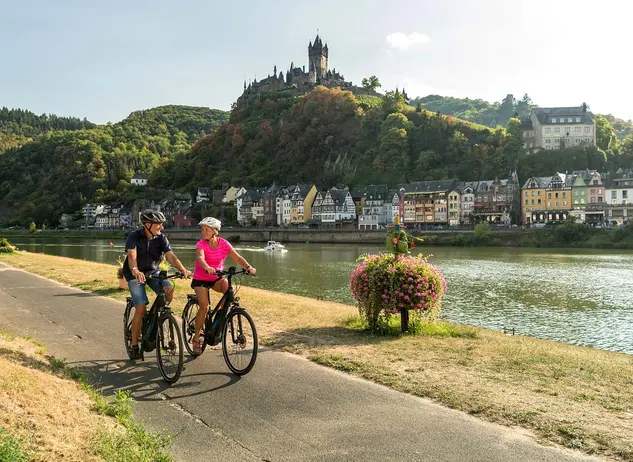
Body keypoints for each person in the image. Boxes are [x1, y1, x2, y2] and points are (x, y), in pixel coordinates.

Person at [123, 210, 191, 359]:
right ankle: (134, 345)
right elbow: (132, 255)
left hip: (153, 272)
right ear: (147, 225)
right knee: (140, 308)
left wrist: (183, 269)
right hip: (135, 273)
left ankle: (154, 317)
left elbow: (171, 256)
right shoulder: (134, 236)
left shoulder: (161, 238)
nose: (161, 227)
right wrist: (134, 269)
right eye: (158, 225)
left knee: (169, 289)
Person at [190, 217, 255, 354]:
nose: (203, 232)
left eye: (206, 230)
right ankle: (196, 339)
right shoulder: (201, 244)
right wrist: (207, 267)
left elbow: (237, 257)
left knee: (229, 293)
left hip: (216, 277)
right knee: (204, 306)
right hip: (201, 279)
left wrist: (248, 267)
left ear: (215, 231)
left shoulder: (223, 243)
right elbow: (200, 258)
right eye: (202, 229)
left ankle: (218, 318)